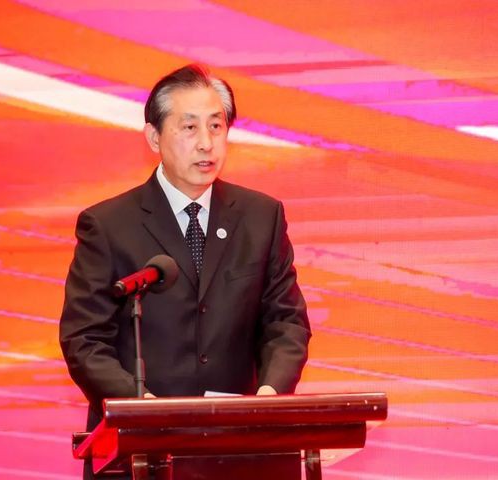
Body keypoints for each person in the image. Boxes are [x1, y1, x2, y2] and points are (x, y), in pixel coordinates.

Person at [59, 64, 311, 478]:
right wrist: (139, 405)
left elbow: (286, 323)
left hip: (241, 453)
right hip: (140, 453)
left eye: (216, 126)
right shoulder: (107, 225)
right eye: (189, 128)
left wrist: (269, 397)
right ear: (154, 137)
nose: (206, 143)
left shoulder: (261, 216)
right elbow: (84, 339)